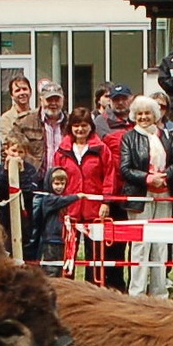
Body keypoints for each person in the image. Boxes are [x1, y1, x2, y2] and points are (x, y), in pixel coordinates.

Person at [116, 95, 173, 297]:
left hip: (164, 194)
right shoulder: (128, 138)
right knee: (140, 245)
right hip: (140, 197)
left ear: (155, 115)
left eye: (148, 113)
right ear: (135, 115)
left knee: (161, 244)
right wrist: (148, 178)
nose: (144, 117)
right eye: (140, 113)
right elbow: (125, 168)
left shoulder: (165, 136)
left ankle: (160, 292)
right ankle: (137, 292)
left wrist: (165, 176)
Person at [50, 107, 119, 289]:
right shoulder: (62, 151)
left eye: (84, 125)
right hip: (69, 209)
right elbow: (56, 178)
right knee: (68, 253)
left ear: (91, 127)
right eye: (76, 126)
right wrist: (60, 202)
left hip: (94, 210)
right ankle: (67, 287)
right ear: (70, 127)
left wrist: (106, 201)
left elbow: (109, 176)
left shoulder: (101, 149)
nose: (80, 129)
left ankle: (92, 289)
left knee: (94, 254)